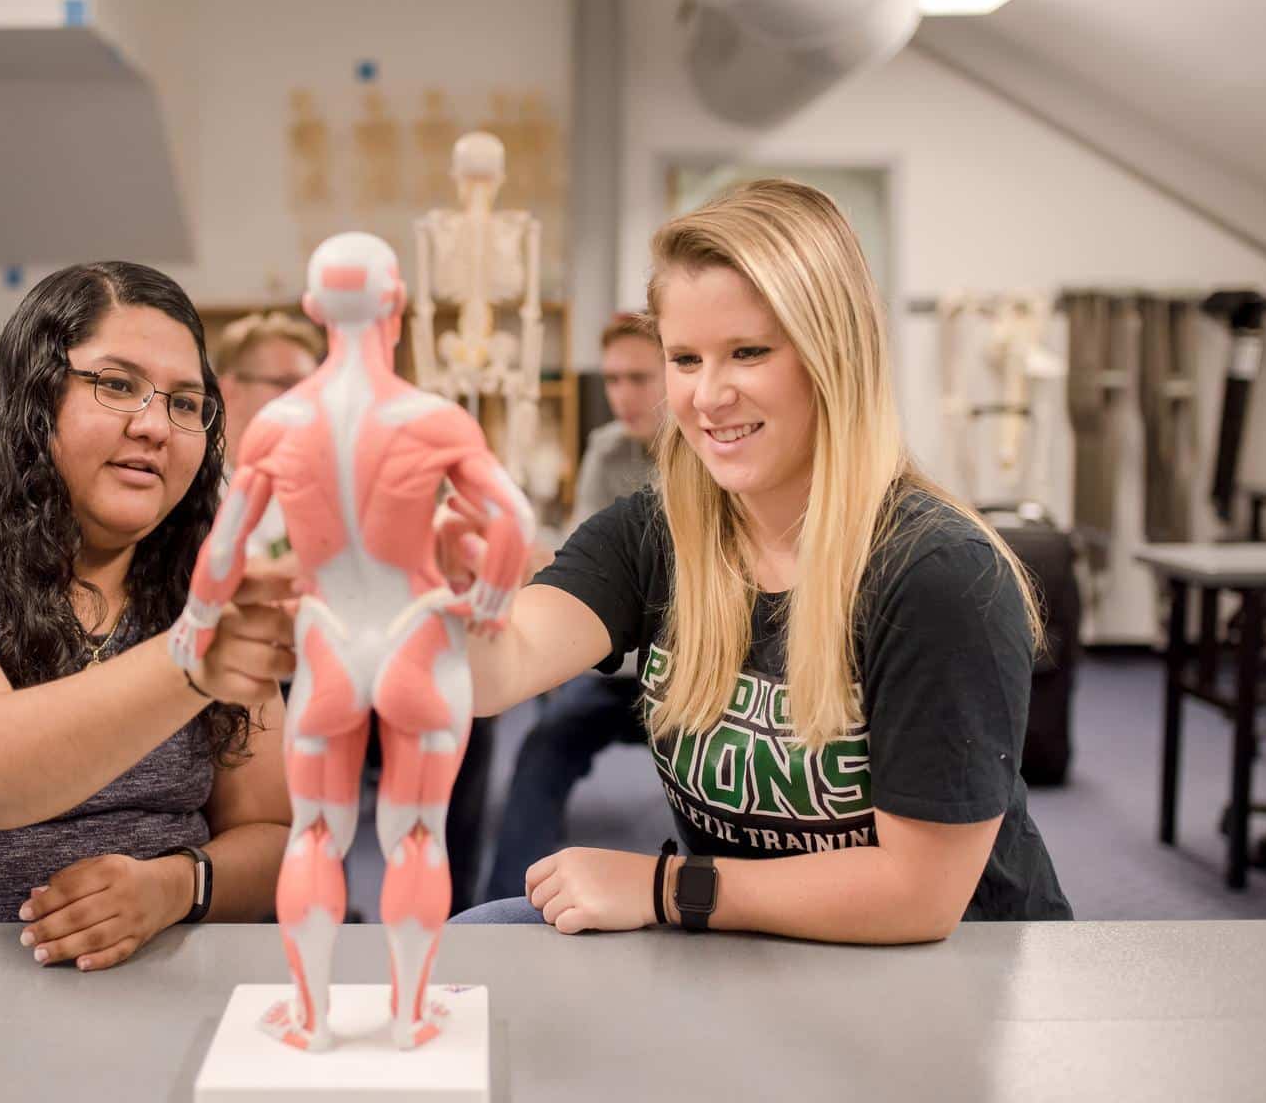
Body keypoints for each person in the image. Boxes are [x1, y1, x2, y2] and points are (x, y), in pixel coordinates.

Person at [450, 180, 1071, 938]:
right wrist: (453, 585)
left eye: (747, 352)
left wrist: (667, 887)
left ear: (829, 356)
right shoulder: (657, 532)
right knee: (483, 939)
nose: (707, 396)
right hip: (752, 945)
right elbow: (494, 675)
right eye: (684, 358)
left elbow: (918, 896)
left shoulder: (939, 573)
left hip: (948, 970)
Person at [0, 262, 296, 971]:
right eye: (118, 385)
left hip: (155, 987)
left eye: (186, 403)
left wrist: (175, 886)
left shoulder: (203, 585)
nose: (156, 425)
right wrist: (191, 660)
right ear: (35, 397)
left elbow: (275, 831)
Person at [482, 314, 665, 899]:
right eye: (612, 380)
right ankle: (506, 907)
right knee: (544, 745)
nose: (623, 395)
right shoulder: (605, 449)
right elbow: (591, 558)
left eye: (639, 378)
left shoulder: (717, 460)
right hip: (615, 673)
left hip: (690, 676)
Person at [213, 311, 325, 558]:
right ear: (229, 390)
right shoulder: (192, 486)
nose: (307, 401)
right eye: (288, 383)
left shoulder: (310, 486)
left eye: (312, 388)